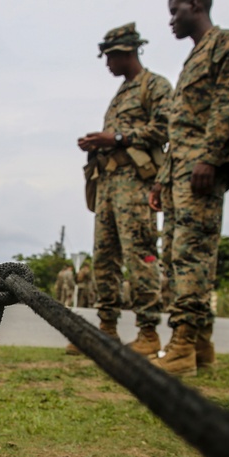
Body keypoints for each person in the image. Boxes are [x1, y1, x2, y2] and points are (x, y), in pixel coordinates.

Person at [148, 0, 229, 377]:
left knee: (192, 256)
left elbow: (228, 104)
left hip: (200, 171)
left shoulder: (228, 44)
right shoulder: (192, 59)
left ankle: (184, 343)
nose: (172, 21)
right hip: (179, 171)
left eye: (176, 11)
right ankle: (201, 345)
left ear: (196, 4)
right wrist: (160, 179)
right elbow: (180, 128)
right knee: (175, 255)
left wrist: (209, 158)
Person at [78, 23, 170, 358]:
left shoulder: (155, 86)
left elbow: (164, 128)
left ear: (126, 52)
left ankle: (148, 332)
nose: (107, 64)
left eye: (110, 57)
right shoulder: (120, 94)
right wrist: (96, 144)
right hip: (108, 185)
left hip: (137, 185)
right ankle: (107, 329)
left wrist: (114, 138)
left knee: (140, 255)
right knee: (104, 258)